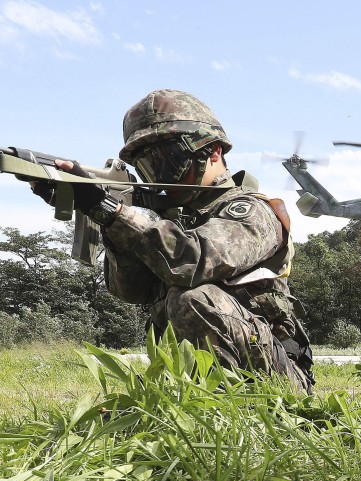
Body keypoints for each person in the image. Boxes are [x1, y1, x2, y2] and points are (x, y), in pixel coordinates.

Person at [32, 89, 314, 392]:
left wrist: (110, 211)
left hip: (277, 378)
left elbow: (192, 259)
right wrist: (109, 222)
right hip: (196, 378)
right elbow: (132, 291)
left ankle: (232, 411)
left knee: (194, 299)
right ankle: (189, 403)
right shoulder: (173, 221)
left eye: (168, 160)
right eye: (146, 166)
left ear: (213, 151)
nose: (158, 175)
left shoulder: (252, 211)